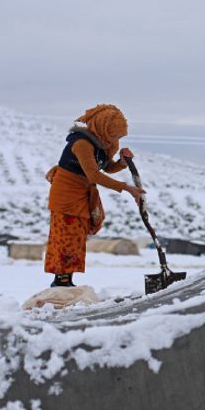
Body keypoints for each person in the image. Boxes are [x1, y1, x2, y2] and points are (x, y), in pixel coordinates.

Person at [44, 104, 145, 288]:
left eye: (119, 137)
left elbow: (106, 167)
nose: (115, 140)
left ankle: (67, 280)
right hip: (66, 195)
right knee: (66, 237)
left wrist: (122, 162)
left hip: (82, 193)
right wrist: (126, 188)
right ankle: (61, 281)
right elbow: (94, 175)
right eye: (114, 135)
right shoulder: (82, 144)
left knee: (77, 237)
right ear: (102, 128)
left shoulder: (101, 144)